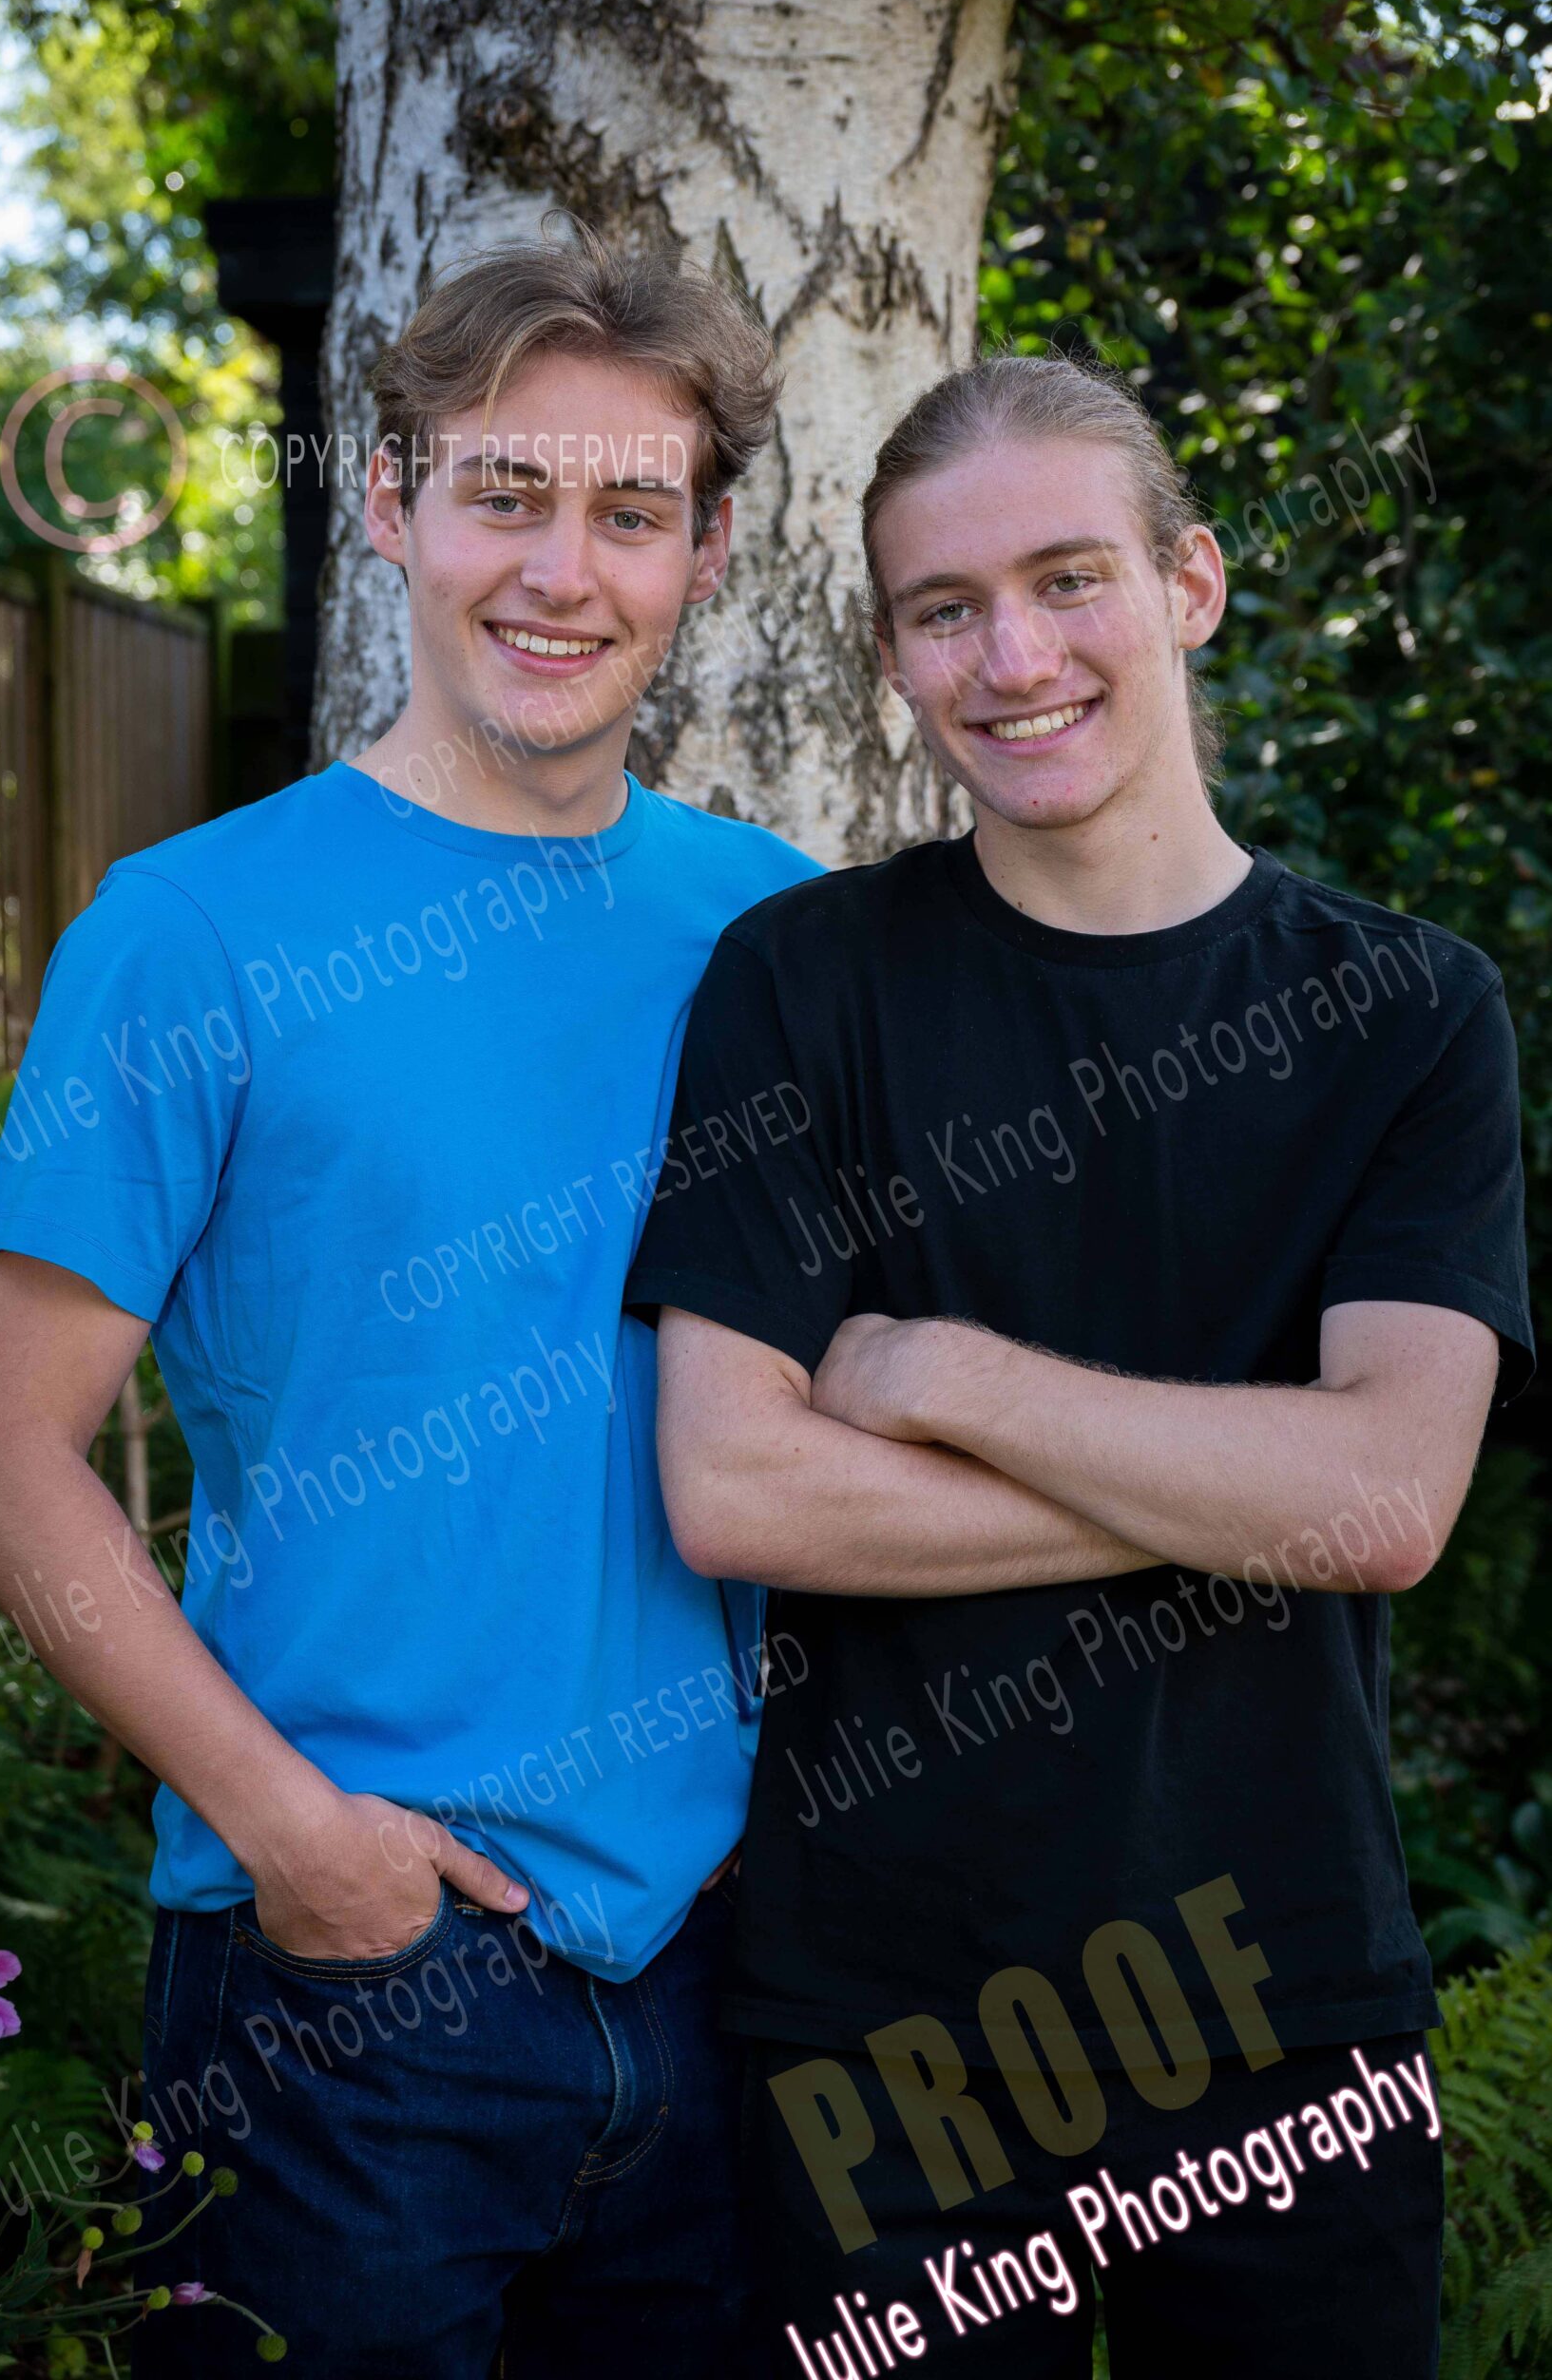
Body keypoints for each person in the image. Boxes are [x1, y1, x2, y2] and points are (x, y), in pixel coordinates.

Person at [0, 224, 819, 2378]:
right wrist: (292, 1834)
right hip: (345, 1995)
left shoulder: (782, 930)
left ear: (707, 554)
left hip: (725, 1972)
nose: (561, 571)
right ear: (393, 503)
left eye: (631, 513)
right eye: (506, 493)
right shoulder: (192, 930)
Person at [623, 352, 1534, 2376]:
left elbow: (1389, 1504)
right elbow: (737, 1486)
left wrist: (950, 1372)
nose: (1014, 657)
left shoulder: (1407, 1013)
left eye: (1068, 579)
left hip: (1288, 2010)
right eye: (945, 609)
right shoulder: (803, 981)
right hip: (884, 2036)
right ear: (892, 656)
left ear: (1190, 583)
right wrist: (1254, 1491)